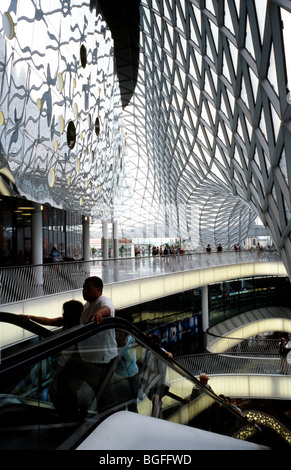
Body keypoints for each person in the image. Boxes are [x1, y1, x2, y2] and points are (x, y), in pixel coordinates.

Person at [140, 334, 173, 418]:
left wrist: (147, 386)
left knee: (156, 398)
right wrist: (144, 385)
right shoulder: (150, 353)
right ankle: (158, 419)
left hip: (161, 384)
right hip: (154, 384)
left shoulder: (160, 352)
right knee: (157, 402)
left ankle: (155, 420)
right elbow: (147, 370)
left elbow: (161, 374)